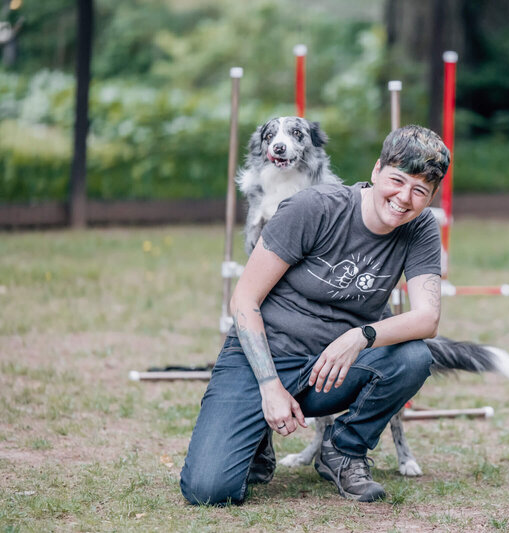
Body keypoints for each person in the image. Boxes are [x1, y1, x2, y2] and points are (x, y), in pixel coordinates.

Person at [180, 125, 449, 504]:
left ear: (431, 196)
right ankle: (256, 438)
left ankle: (342, 451)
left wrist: (359, 337)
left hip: (330, 370)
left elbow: (427, 319)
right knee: (208, 491)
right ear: (376, 171)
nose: (404, 198)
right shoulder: (314, 207)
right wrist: (270, 386)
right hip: (265, 358)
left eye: (420, 190)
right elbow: (243, 299)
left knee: (414, 356)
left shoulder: (420, 228)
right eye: (397, 180)